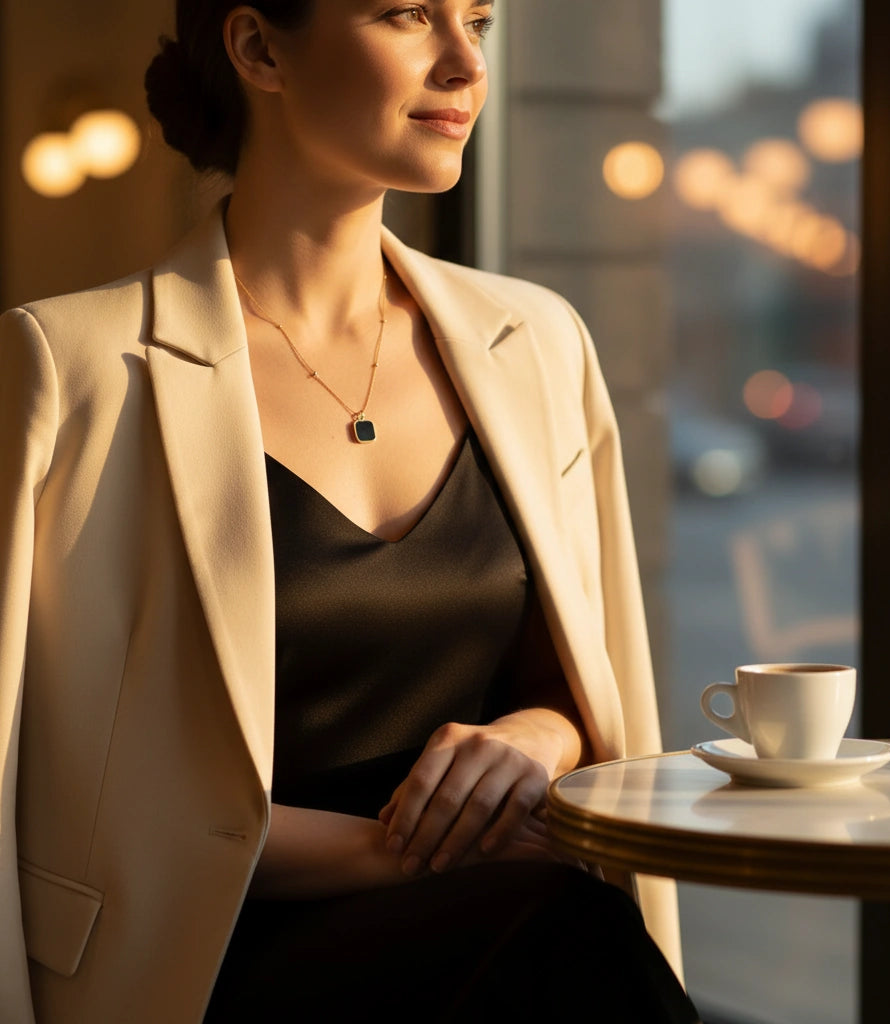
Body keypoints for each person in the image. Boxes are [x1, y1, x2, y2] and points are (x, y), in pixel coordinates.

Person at [0, 2, 702, 1021]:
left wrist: (535, 740)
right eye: (409, 14)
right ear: (259, 48)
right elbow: (54, 786)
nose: (464, 64)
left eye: (478, 22)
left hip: (502, 929)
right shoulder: (70, 370)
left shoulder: (537, 342)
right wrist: (407, 851)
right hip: (208, 965)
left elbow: (591, 686)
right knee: (562, 928)